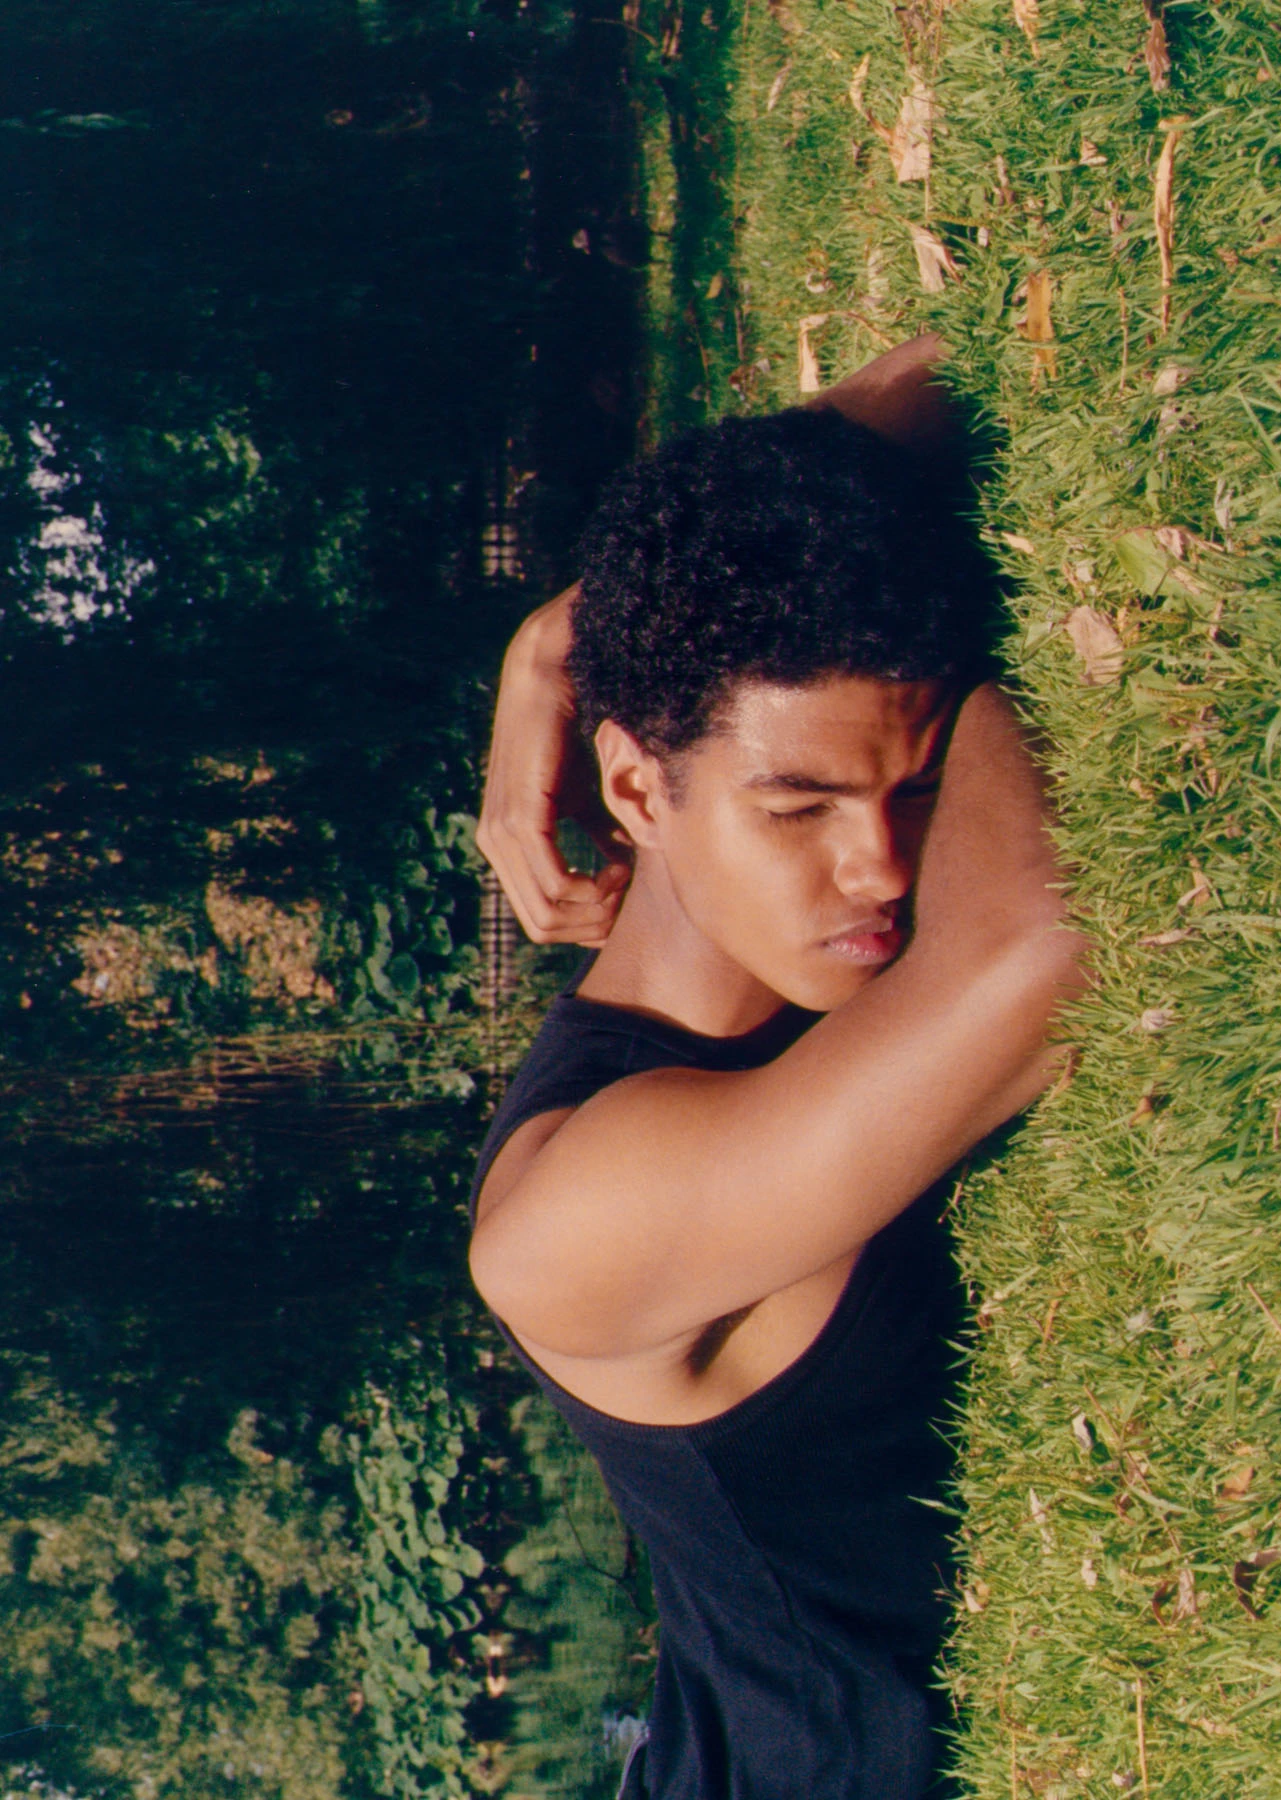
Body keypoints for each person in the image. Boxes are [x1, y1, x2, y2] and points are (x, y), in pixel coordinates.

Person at [467, 339, 1085, 1799]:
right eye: (798, 805)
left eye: (913, 783)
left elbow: (959, 369)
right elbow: (1032, 948)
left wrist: (566, 635)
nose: (877, 862)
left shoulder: (793, 886)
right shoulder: (566, 1224)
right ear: (635, 786)